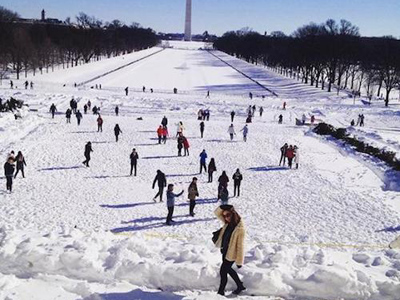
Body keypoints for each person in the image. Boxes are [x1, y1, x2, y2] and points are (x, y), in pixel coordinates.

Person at [214, 205, 246, 296]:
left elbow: (240, 246)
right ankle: (240, 285)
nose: (226, 217)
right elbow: (217, 213)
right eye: (224, 216)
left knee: (223, 271)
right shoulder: (228, 223)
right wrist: (222, 207)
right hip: (224, 251)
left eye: (228, 215)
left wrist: (239, 261)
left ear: (233, 214)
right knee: (227, 269)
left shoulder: (240, 228)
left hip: (231, 254)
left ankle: (220, 292)